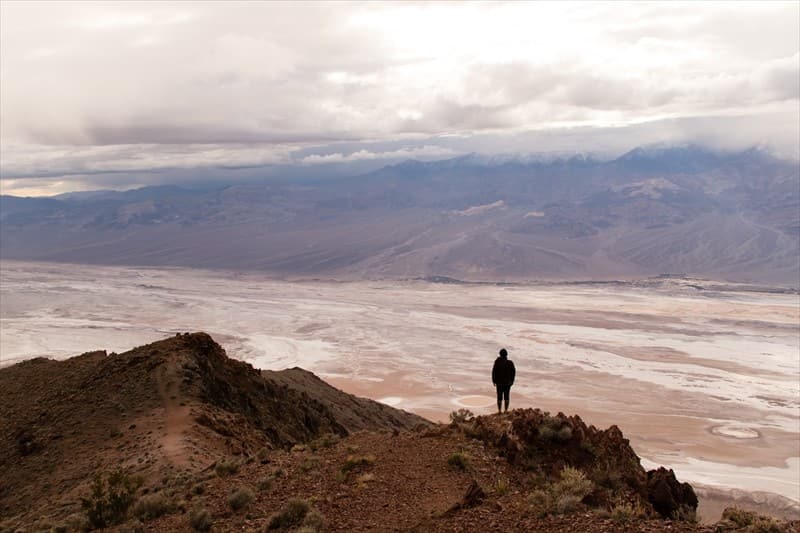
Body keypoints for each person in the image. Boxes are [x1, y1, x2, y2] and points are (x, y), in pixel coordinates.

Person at [492, 348, 515, 414]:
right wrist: (512, 381)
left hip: (499, 383)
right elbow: (513, 372)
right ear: (506, 355)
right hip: (507, 383)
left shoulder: (497, 362)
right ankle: (506, 410)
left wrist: (494, 380)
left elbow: (494, 372)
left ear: (500, 354)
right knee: (506, 396)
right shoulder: (510, 363)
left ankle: (499, 411)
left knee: (499, 397)